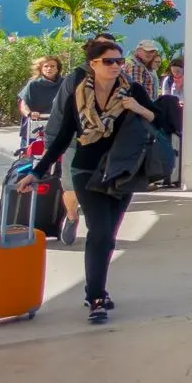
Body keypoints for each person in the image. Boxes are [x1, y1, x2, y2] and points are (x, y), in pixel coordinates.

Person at [17, 40, 160, 324]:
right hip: (86, 170)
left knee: (108, 236)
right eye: (109, 61)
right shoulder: (78, 93)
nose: (116, 66)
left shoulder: (133, 91)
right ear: (93, 64)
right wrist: (37, 171)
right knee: (100, 232)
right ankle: (96, 297)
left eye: (119, 61)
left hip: (122, 171)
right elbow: (62, 138)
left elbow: (159, 121)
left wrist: (138, 108)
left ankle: (94, 289)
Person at [41, 32, 117, 247]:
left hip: (108, 144)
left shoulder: (121, 78)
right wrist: (52, 143)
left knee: (107, 190)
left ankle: (102, 233)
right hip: (76, 142)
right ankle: (72, 217)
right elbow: (59, 112)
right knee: (72, 188)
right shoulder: (75, 77)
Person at [18, 55, 63, 147]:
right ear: (41, 69)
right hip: (35, 124)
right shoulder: (33, 84)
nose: (49, 68)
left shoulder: (65, 83)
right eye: (45, 66)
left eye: (52, 66)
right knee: (29, 153)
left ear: (58, 68)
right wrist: (30, 113)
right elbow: (23, 104)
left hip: (58, 124)